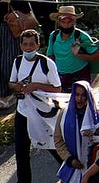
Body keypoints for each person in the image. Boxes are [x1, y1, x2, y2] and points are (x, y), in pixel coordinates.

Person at [9, 27, 60, 183]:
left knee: (52, 145)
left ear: (38, 46)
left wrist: (36, 86)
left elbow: (57, 88)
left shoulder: (47, 63)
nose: (28, 48)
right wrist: (16, 86)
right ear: (21, 46)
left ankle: (72, 172)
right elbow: (11, 82)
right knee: (21, 150)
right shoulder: (18, 61)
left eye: (32, 44)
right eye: (25, 45)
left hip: (43, 113)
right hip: (23, 111)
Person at [55, 80, 99, 183]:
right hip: (72, 167)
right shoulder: (63, 114)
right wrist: (70, 159)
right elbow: (58, 140)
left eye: (83, 95)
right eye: (77, 95)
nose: (79, 99)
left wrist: (94, 137)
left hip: (95, 168)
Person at [47, 5, 99, 90]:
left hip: (80, 75)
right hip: (60, 76)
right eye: (63, 22)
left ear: (74, 22)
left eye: (69, 21)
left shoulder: (81, 36)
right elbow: (50, 56)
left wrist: (78, 55)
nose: (66, 25)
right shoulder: (53, 36)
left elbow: (98, 56)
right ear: (59, 22)